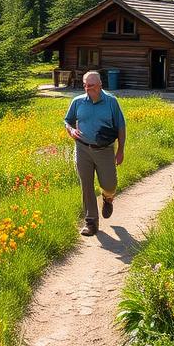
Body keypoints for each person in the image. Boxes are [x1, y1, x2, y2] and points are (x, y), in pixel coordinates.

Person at [63, 70, 126, 236]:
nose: (87, 88)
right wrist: (70, 130)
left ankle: (108, 197)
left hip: (105, 149)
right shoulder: (77, 102)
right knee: (86, 185)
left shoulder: (111, 102)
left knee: (109, 184)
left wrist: (120, 150)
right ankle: (91, 222)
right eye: (85, 85)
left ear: (100, 85)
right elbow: (67, 121)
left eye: (91, 85)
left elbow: (121, 126)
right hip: (82, 148)